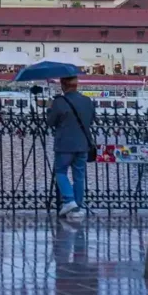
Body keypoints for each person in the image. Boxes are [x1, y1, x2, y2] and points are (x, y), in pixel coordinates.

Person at [47, 75, 95, 220]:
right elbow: (91, 120)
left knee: (60, 172)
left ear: (63, 84)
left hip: (64, 145)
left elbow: (50, 122)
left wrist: (49, 110)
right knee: (79, 176)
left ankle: (69, 201)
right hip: (82, 144)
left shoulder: (59, 102)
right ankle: (77, 207)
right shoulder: (87, 101)